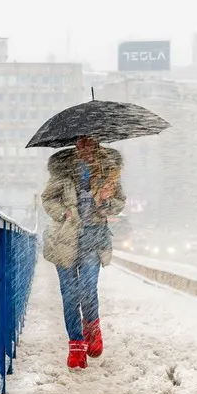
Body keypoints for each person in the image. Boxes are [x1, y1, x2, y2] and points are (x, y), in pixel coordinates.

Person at [41, 136, 125, 370]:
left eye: (90, 142)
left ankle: (92, 328)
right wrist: (64, 214)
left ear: (97, 143)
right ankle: (76, 345)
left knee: (88, 289)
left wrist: (107, 201)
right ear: (76, 144)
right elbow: (48, 199)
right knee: (69, 295)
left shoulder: (109, 172)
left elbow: (120, 202)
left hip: (93, 238)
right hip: (65, 239)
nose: (85, 147)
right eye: (81, 142)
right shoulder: (63, 170)